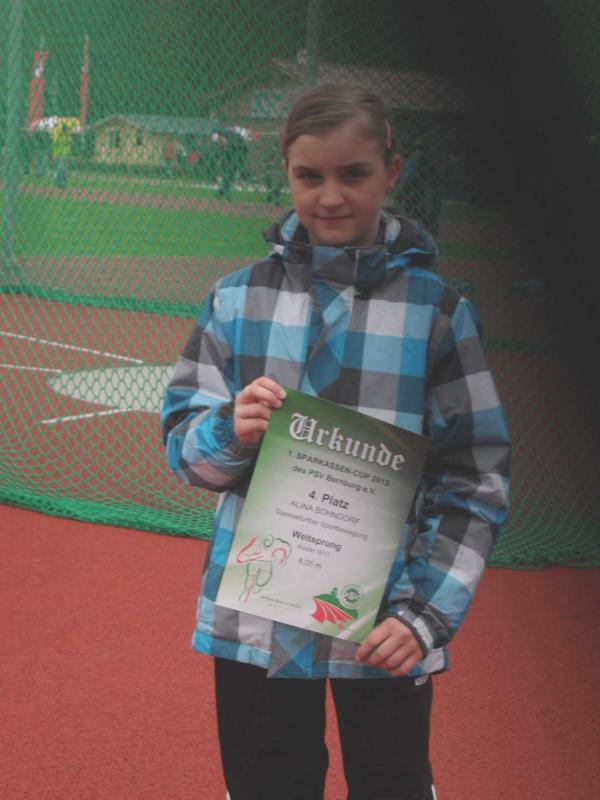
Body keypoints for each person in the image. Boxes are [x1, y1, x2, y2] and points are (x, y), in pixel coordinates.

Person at [161, 84, 510, 800]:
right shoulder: (236, 299)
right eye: (308, 175)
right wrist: (230, 429)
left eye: (354, 174)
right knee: (266, 784)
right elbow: (185, 452)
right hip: (256, 614)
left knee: (392, 783)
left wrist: (427, 614)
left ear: (392, 171)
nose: (329, 196)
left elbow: (476, 478)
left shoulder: (439, 315)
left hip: (383, 623)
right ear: (285, 173)